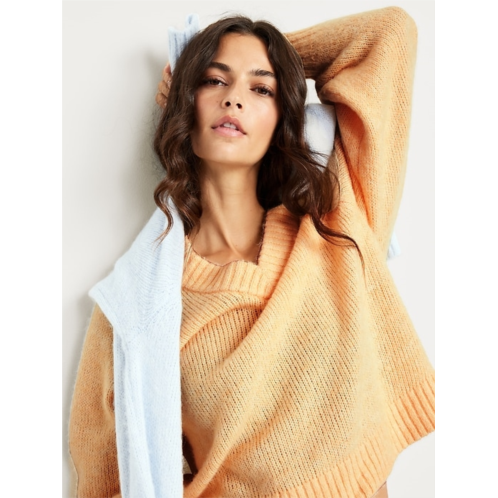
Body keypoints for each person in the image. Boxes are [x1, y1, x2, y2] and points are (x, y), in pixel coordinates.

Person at [69, 7, 435, 498]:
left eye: (261, 89)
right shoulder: (136, 309)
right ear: (184, 105)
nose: (234, 98)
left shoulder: (334, 221)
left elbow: (388, 36)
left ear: (283, 116)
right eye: (213, 81)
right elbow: (105, 484)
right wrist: (213, 67)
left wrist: (262, 57)